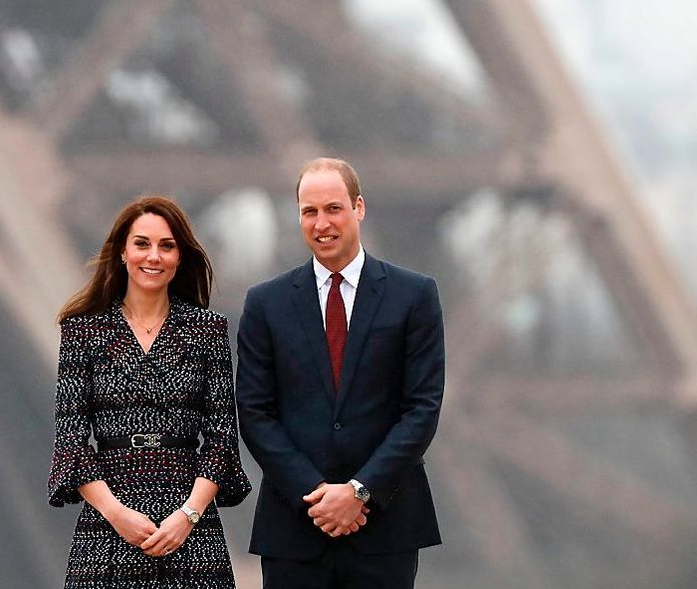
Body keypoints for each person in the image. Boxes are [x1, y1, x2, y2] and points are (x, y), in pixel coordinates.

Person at [236, 158, 444, 588]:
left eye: (333, 208)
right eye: (309, 212)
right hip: (295, 529)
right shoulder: (265, 304)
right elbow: (255, 413)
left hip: (385, 528)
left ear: (359, 208)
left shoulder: (415, 295)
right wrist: (316, 495)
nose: (321, 223)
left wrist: (359, 491)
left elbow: (422, 408)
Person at [48, 196, 251, 589]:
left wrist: (187, 516)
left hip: (190, 522)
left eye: (167, 245)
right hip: (107, 519)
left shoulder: (207, 331)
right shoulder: (83, 332)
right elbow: (70, 440)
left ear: (180, 256)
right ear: (122, 252)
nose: (153, 256)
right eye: (142, 243)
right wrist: (116, 514)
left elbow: (222, 439)